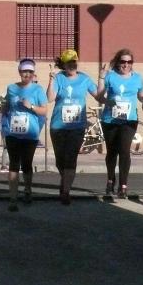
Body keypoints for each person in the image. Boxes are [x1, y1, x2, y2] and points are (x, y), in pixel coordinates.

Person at [47, 49, 101, 205]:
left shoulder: (84, 79)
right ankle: (65, 182)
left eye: (74, 62)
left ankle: (65, 191)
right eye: (69, 62)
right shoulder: (58, 78)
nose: (72, 65)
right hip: (58, 125)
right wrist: (51, 80)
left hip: (77, 127)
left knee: (71, 159)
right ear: (63, 64)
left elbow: (98, 95)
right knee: (60, 161)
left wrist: (103, 78)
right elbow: (50, 98)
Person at [97, 48, 143, 198]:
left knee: (124, 151)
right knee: (112, 152)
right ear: (118, 62)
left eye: (129, 62)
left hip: (129, 119)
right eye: (123, 62)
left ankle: (123, 185)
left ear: (132, 64)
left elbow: (141, 95)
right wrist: (101, 79)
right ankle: (110, 180)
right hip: (110, 119)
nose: (126, 65)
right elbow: (99, 97)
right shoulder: (110, 76)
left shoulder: (137, 78)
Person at [0, 58, 48, 212]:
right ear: (19, 72)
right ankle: (13, 198)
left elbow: (44, 110)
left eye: (30, 71)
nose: (26, 74)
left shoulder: (38, 90)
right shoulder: (11, 88)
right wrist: (3, 109)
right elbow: (7, 106)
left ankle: (27, 190)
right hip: (13, 132)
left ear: (33, 74)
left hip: (30, 133)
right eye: (24, 71)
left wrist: (31, 106)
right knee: (13, 164)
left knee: (26, 164)